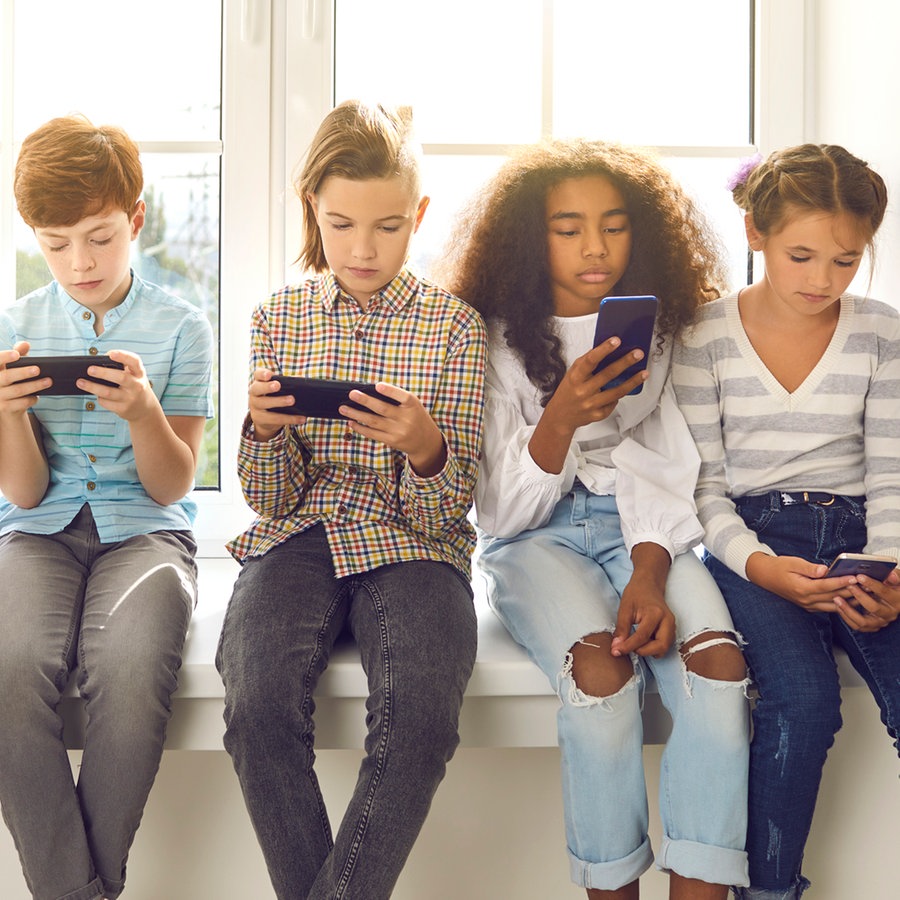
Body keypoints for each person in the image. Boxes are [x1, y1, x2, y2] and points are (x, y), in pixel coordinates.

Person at [438, 138, 750, 899]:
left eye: (613, 225)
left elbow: (667, 457)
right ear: (528, 237)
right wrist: (562, 418)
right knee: (602, 682)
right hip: (535, 541)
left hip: (648, 533)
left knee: (719, 669)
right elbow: (501, 511)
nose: (595, 246)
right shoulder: (487, 337)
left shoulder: (661, 327)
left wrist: (648, 570)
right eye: (568, 227)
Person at [215, 99, 486, 900]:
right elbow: (268, 502)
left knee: (420, 723)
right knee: (256, 709)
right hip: (302, 532)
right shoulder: (280, 318)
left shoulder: (455, 328)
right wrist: (261, 432)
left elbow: (450, 508)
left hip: (416, 543)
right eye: (340, 225)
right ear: (313, 211)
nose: (362, 249)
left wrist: (422, 445)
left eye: (388, 227)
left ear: (419, 217)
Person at [671, 143, 900, 898]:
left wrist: (891, 570)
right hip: (755, 550)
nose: (822, 280)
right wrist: (762, 567)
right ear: (755, 233)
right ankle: (768, 891)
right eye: (802, 255)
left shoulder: (880, 333)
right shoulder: (703, 337)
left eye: (846, 260)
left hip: (866, 545)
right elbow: (702, 491)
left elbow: (892, 473)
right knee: (801, 704)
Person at [0, 115, 214, 900]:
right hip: (38, 535)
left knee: (128, 671)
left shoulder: (183, 328)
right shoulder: (14, 329)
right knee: (6, 666)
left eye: (97, 236)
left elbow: (173, 485)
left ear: (136, 219)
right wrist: (7, 414)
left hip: (147, 535)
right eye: (55, 243)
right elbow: (22, 494)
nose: (79, 262)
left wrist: (144, 414)